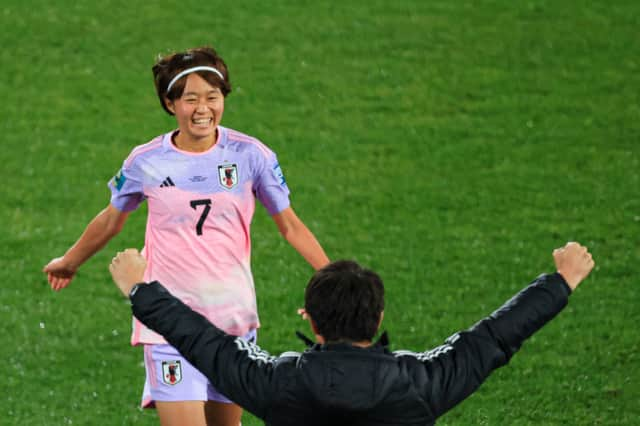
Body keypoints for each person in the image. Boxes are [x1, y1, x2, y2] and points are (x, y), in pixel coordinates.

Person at [43, 46, 330, 426]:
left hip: (232, 320)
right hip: (168, 322)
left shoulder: (251, 156)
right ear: (169, 103)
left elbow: (290, 226)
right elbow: (111, 219)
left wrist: (337, 284)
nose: (203, 109)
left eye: (212, 97)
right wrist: (69, 261)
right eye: (190, 99)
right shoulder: (146, 161)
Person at [108, 242, 595, 425]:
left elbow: (202, 341)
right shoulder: (420, 384)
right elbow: (494, 337)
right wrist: (560, 281)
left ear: (311, 321)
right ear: (378, 318)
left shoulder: (278, 384)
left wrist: (140, 288)